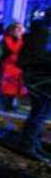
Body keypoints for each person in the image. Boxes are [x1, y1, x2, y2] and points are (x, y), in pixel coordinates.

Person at [19, 11, 51, 162]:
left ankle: (33, 144)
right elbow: (41, 56)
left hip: (38, 76)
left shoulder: (40, 30)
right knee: (40, 112)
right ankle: (29, 145)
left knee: (39, 112)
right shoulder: (44, 32)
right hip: (41, 78)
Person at [0, 22, 27, 111]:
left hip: (17, 67)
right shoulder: (7, 38)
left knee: (15, 88)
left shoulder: (24, 39)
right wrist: (20, 39)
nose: (20, 30)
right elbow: (13, 49)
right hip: (9, 66)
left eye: (21, 28)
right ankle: (6, 105)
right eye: (18, 28)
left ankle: (12, 104)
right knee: (8, 88)